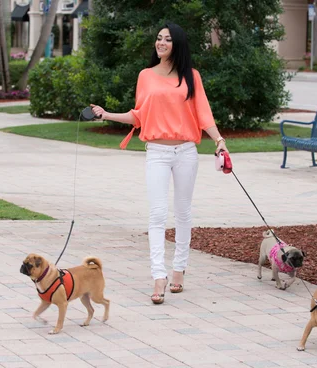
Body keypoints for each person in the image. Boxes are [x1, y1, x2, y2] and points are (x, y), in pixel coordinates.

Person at [91, 22, 229, 305]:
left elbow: (204, 114)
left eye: (167, 39)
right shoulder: (146, 76)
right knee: (156, 214)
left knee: (183, 213)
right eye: (158, 38)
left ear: (177, 44)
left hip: (186, 152)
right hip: (156, 151)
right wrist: (106, 115)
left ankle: (179, 268)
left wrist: (219, 141)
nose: (161, 43)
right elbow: (139, 115)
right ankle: (158, 276)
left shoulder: (191, 76)